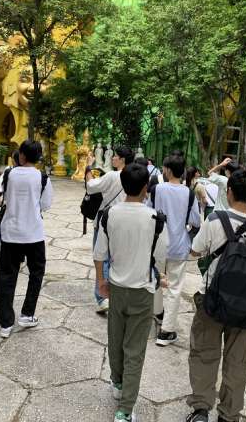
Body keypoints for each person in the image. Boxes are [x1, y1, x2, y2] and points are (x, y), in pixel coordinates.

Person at [186, 169, 246, 422]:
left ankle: (201, 411)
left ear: (229, 192)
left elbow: (195, 250)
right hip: (245, 306)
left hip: (211, 300)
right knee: (238, 362)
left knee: (204, 353)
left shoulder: (215, 220)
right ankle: (229, 415)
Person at [94, 163, 168, 422]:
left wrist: (101, 281)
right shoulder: (155, 219)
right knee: (134, 349)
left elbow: (99, 254)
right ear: (146, 188)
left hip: (116, 288)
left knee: (115, 339)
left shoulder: (109, 215)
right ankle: (125, 410)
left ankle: (117, 383)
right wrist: (159, 275)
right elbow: (161, 256)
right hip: (142, 291)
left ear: (123, 185)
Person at [0, 140, 53, 338]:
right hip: (33, 234)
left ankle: (5, 324)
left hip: (10, 233)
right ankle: (27, 314)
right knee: (36, 273)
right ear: (38, 157)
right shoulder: (43, 178)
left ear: (21, 155)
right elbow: (46, 205)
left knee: (7, 276)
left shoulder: (8, 174)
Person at [153, 154, 201, 346]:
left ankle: (158, 313)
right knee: (174, 288)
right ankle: (166, 331)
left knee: (155, 279)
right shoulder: (189, 193)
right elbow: (196, 221)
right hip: (179, 245)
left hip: (158, 244)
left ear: (167, 170)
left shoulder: (157, 190)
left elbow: (149, 213)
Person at [86, 146, 135, 313]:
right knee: (120, 258)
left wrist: (88, 168)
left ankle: (103, 297)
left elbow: (91, 186)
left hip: (107, 219)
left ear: (122, 160)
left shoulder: (113, 176)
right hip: (126, 220)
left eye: (115, 156)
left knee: (102, 257)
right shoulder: (135, 175)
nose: (112, 158)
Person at [0, 150, 20, 249]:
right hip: (7, 200)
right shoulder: (8, 169)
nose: (12, 160)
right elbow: (1, 183)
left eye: (13, 158)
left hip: (19, 201)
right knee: (2, 219)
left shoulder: (24, 171)